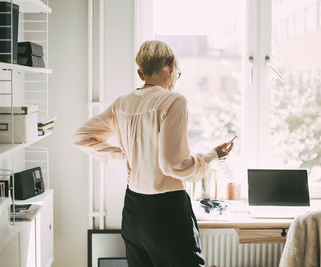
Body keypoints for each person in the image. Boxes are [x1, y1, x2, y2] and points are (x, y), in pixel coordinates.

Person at [74, 40, 234, 267]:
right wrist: (211, 156)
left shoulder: (123, 104)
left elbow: (81, 137)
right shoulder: (174, 101)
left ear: (141, 73)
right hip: (166, 211)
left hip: (133, 210)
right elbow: (173, 165)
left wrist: (125, 155)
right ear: (171, 66)